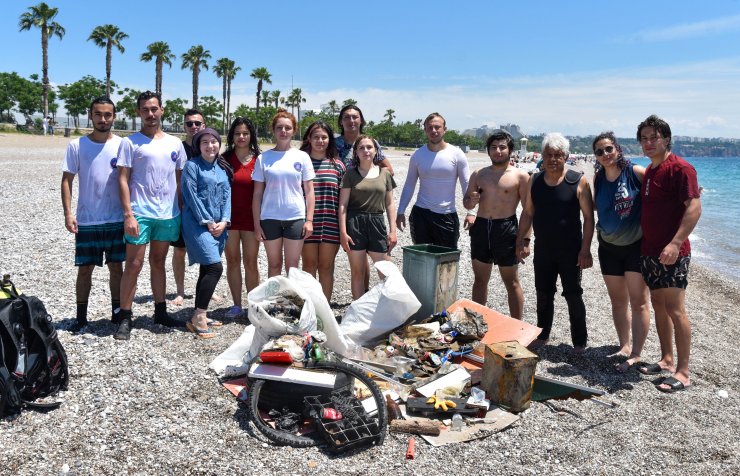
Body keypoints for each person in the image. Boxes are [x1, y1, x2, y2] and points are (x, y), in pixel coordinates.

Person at [636, 115, 701, 393]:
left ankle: (683, 372)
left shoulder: (681, 169)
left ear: (666, 139)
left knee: (676, 309)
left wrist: (675, 243)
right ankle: (666, 359)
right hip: (651, 250)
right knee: (659, 305)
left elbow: (694, 207)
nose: (649, 143)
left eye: (654, 137)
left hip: (672, 251)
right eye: (644, 139)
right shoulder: (652, 169)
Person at [115, 91, 187, 340]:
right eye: (145, 109)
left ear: (162, 110)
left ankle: (160, 311)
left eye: (154, 109)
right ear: (138, 112)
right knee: (133, 264)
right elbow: (122, 179)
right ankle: (125, 316)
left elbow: (180, 180)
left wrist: (181, 210)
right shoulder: (130, 142)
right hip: (140, 213)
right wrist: (128, 214)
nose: (150, 114)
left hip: (167, 214)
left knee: (159, 261)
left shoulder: (174, 143)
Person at [516, 133, 594, 354]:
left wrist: (585, 249)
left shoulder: (578, 180)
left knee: (573, 294)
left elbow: (589, 218)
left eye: (558, 155)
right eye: (548, 154)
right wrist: (522, 240)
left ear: (566, 156)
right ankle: (543, 335)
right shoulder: (536, 180)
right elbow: (528, 212)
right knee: (543, 292)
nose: (553, 159)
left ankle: (579, 341)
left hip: (571, 250)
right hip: (544, 248)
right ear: (543, 156)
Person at [61, 97, 124, 332]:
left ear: (114, 117)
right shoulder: (77, 145)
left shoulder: (122, 144)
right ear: (91, 116)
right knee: (85, 269)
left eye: (108, 115)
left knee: (116, 267)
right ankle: (81, 317)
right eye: (98, 114)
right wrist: (68, 214)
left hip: (116, 218)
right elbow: (67, 180)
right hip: (87, 219)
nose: (103, 119)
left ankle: (117, 314)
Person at [591, 131, 650, 372]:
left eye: (608, 149)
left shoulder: (636, 172)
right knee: (618, 301)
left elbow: (660, 195)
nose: (605, 154)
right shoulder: (598, 178)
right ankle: (624, 346)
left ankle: (636, 353)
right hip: (608, 247)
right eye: (599, 151)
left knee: (639, 302)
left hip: (636, 246)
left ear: (617, 149)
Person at [463, 130, 529, 320]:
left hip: (506, 228)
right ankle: (475, 321)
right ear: (488, 151)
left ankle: (517, 324)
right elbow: (467, 203)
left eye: (502, 147)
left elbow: (528, 211)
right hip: (482, 227)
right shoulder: (479, 174)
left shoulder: (520, 176)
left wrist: (525, 239)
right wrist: (472, 201)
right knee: (480, 279)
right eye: (493, 147)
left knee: (511, 281)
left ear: (510, 150)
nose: (498, 151)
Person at [181, 128, 231, 339]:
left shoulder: (221, 168)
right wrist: (209, 222)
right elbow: (190, 196)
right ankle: (199, 316)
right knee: (214, 267)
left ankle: (199, 313)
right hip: (197, 224)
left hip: (219, 225)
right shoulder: (192, 166)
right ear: (198, 146)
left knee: (206, 268)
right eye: (205, 143)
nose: (210, 146)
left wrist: (225, 220)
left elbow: (228, 195)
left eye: (214, 142)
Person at [252, 110, 315, 277]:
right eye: (279, 127)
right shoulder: (263, 158)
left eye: (287, 127)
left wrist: (309, 220)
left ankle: (290, 302)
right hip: (269, 217)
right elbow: (257, 194)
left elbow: (309, 191)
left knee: (293, 266)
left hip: (295, 217)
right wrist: (257, 225)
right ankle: (273, 301)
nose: (283, 131)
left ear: (294, 130)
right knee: (274, 264)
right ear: (273, 130)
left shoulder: (302, 157)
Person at [397, 112, 471, 249]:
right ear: (425, 130)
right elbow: (409, 185)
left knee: (447, 259)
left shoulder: (457, 154)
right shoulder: (418, 155)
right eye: (430, 128)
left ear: (445, 129)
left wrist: (471, 212)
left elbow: (466, 184)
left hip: (446, 214)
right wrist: (400, 211)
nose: (434, 131)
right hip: (421, 214)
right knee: (422, 257)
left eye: (437, 127)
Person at [339, 135, 397, 300]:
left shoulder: (385, 174)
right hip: (355, 223)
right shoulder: (350, 174)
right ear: (356, 152)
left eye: (369, 147)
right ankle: (358, 311)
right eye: (361, 148)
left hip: (377, 222)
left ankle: (387, 309)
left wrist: (393, 231)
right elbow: (343, 205)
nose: (366, 150)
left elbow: (390, 203)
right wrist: (343, 232)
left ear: (376, 150)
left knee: (386, 270)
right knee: (358, 272)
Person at [300, 120, 345, 302]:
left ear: (329, 140)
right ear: (309, 139)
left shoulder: (337, 165)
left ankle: (324, 308)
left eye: (324, 137)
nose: (320, 141)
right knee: (309, 266)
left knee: (326, 267)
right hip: (306, 222)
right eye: (316, 137)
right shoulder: (300, 162)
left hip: (331, 223)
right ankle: (309, 307)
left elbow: (343, 199)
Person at [223, 117, 261, 319]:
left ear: (251, 135)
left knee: (251, 261)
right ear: (232, 136)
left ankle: (253, 305)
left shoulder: (259, 159)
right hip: (229, 220)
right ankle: (236, 304)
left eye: (245, 133)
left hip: (251, 219)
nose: (241, 137)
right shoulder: (223, 159)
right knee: (232, 260)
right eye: (237, 133)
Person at [170, 109, 207, 307]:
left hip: (205, 209)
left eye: (197, 123)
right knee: (179, 250)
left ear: (204, 125)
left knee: (206, 250)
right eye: (189, 123)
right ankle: (180, 291)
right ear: (184, 126)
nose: (193, 127)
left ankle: (205, 288)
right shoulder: (179, 148)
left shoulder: (209, 146)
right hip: (182, 207)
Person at [335, 105, 394, 174]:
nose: (351, 120)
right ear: (341, 122)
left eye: (355, 117)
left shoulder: (370, 143)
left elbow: (389, 170)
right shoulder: (332, 144)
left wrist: (367, 174)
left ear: (361, 121)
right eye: (347, 117)